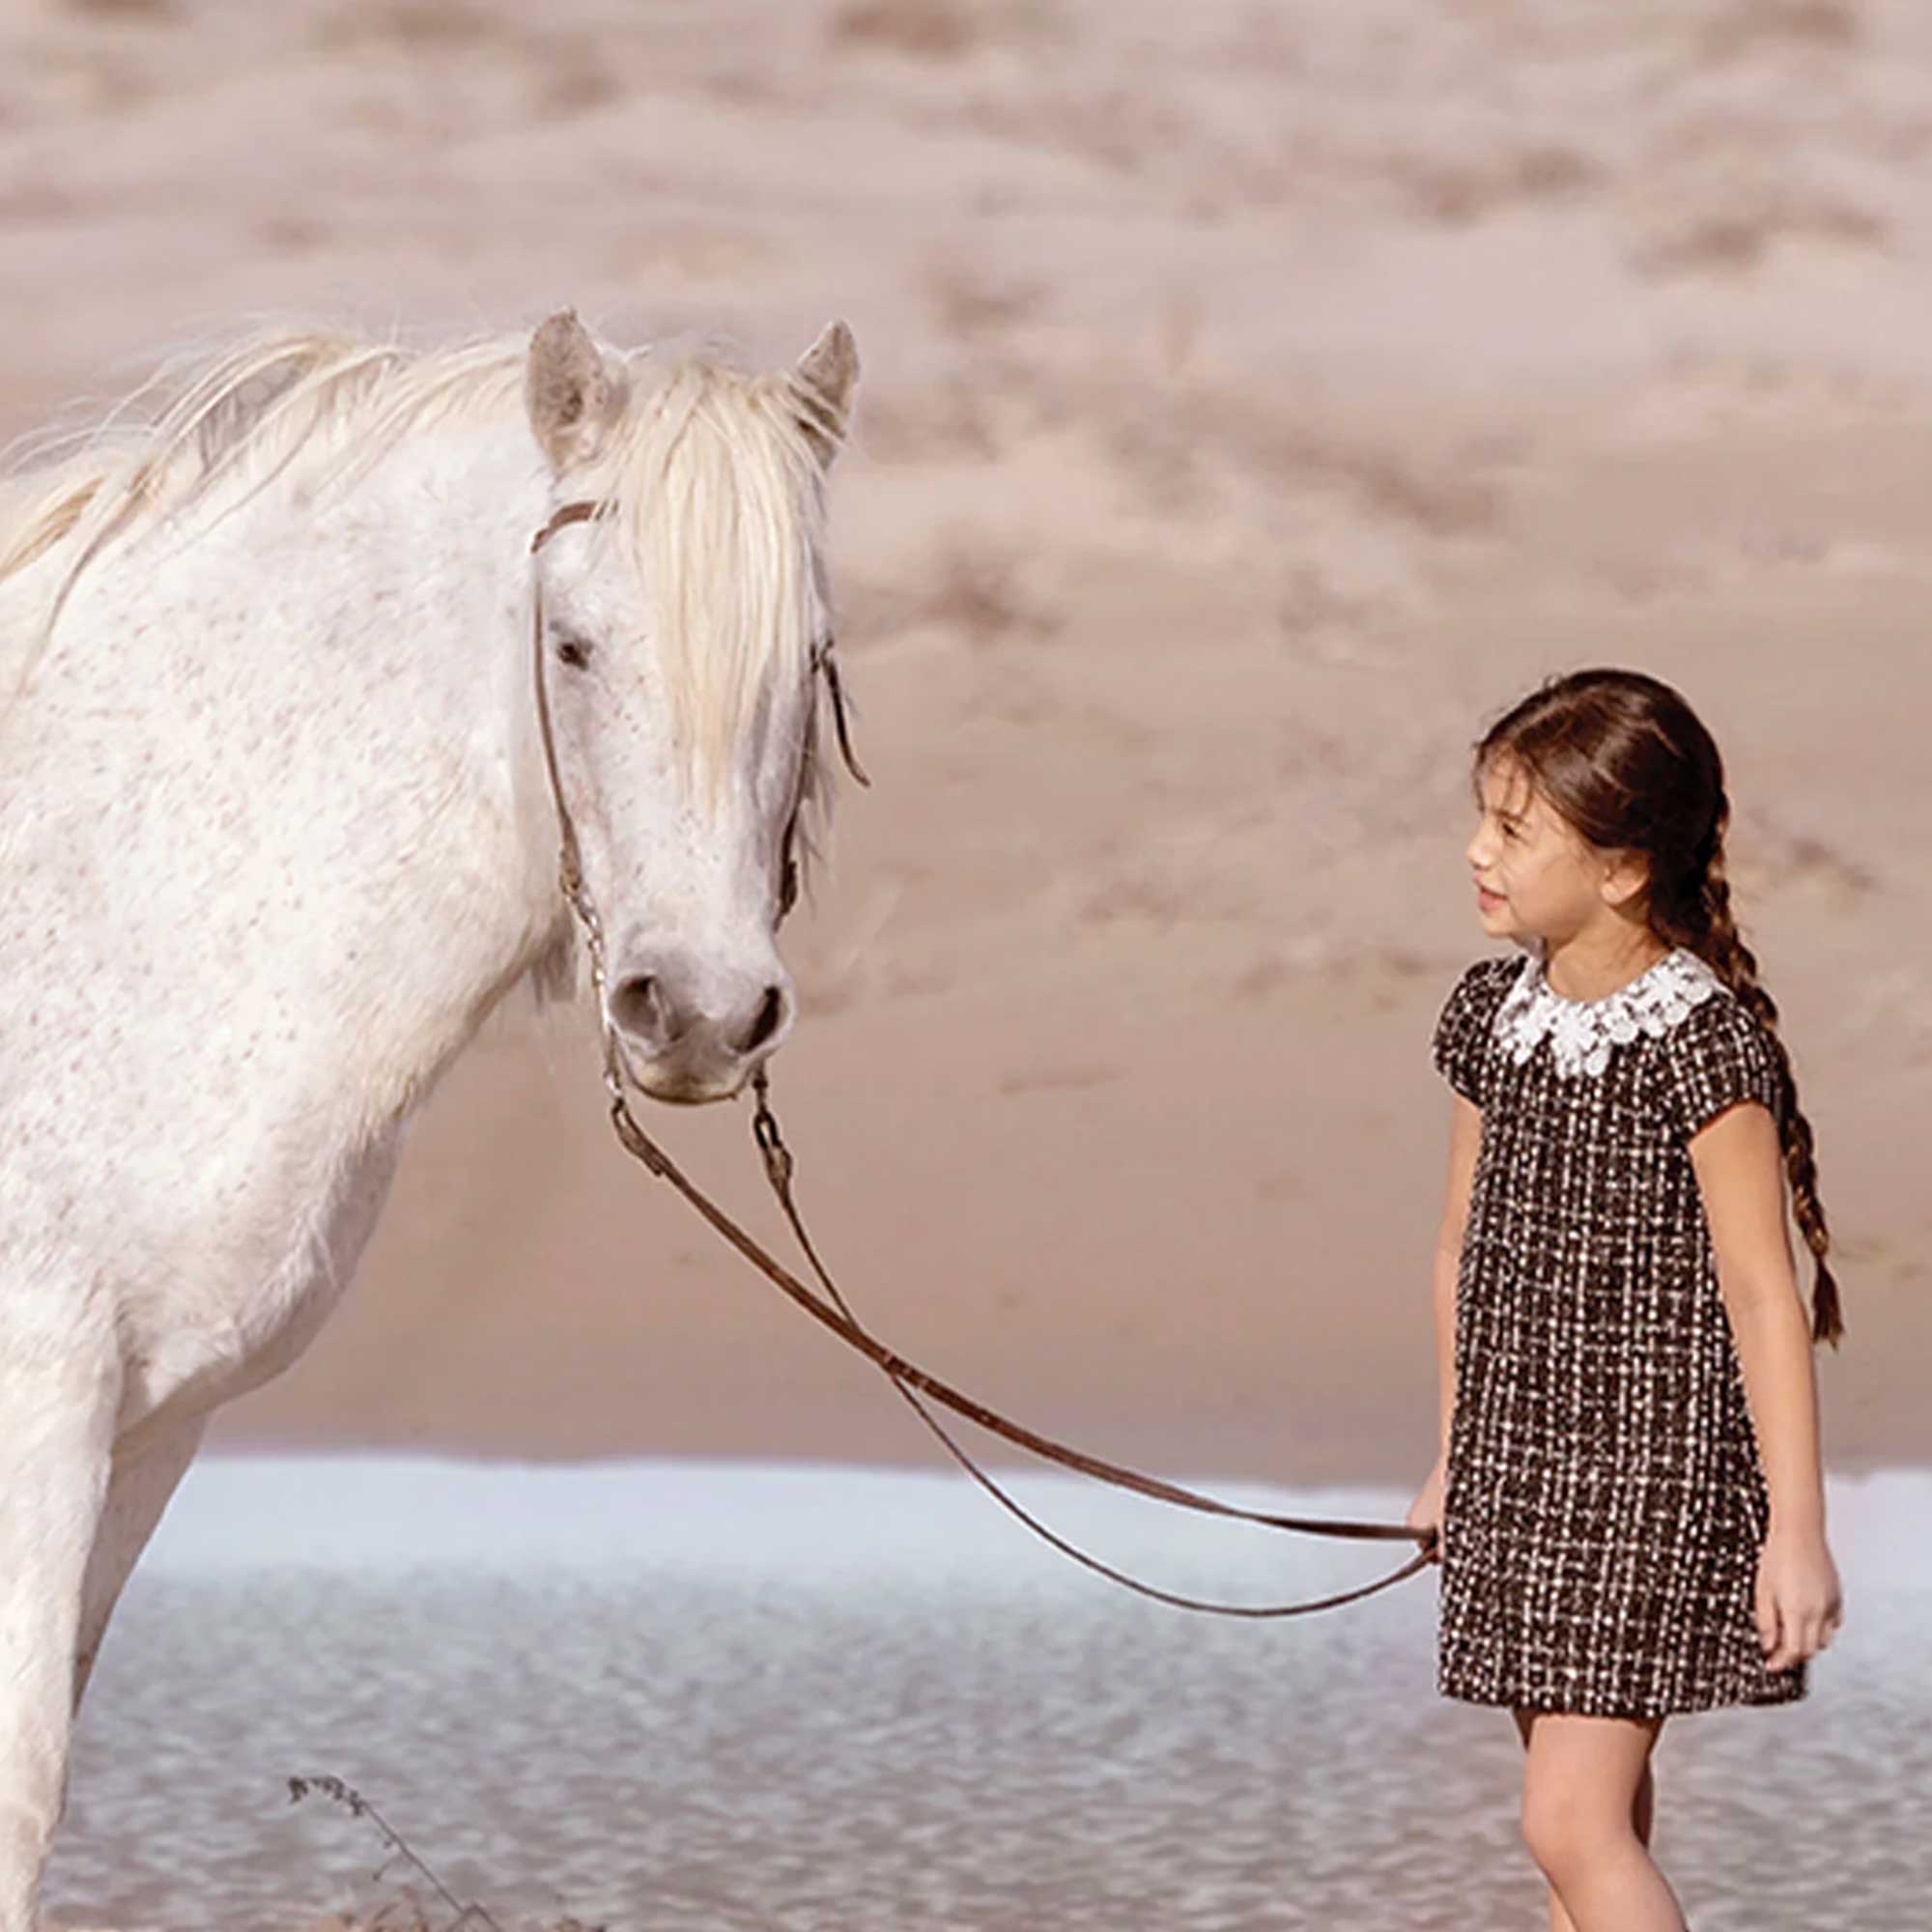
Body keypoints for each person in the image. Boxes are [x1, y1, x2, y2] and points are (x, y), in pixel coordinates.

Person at [1406, 668, 1844, 1932]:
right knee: (1585, 1834)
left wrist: (1798, 1530)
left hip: (1651, 1480)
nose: (1475, 852)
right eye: (1481, 819)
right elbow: (1456, 1254)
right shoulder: (1491, 1015)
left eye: (1513, 830)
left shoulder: (1700, 1043)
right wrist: (1453, 1460)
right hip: (1519, 1473)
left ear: (1620, 870)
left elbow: (1766, 1297)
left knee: (1568, 1821)